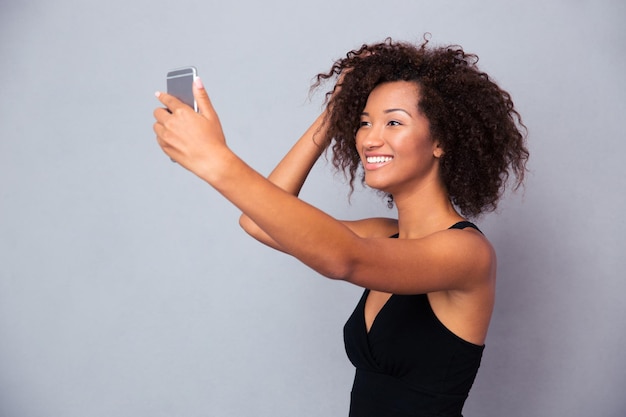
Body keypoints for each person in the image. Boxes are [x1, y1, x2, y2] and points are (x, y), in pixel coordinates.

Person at [153, 37, 529, 417]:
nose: (370, 137)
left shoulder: (467, 254)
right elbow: (258, 222)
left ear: (441, 141)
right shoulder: (384, 234)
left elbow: (343, 260)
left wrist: (216, 161)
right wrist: (334, 113)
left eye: (393, 122)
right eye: (363, 122)